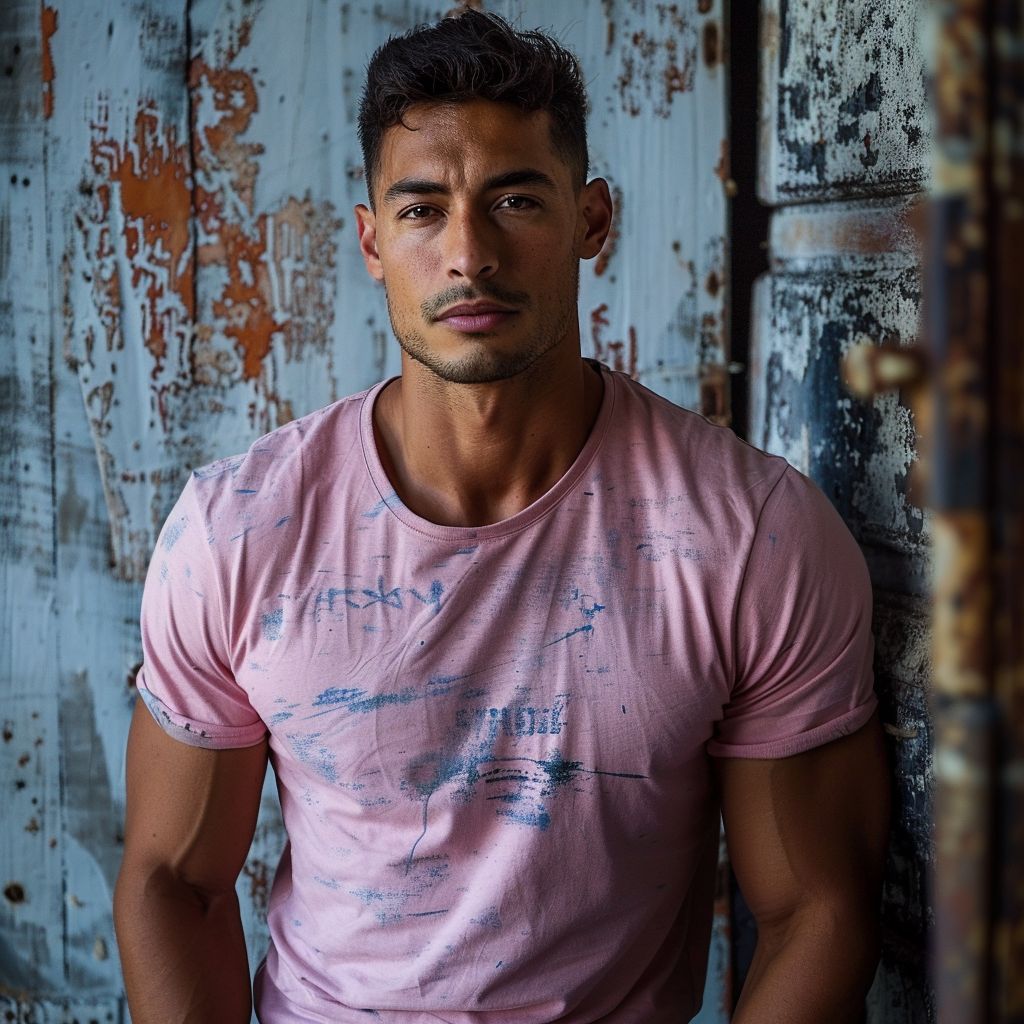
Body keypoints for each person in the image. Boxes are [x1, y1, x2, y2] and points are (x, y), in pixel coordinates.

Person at [113, 10, 890, 1024]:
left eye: (515, 199)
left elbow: (817, 911)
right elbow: (172, 881)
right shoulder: (239, 532)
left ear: (592, 219)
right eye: (423, 209)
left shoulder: (750, 536)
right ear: (371, 240)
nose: (469, 253)